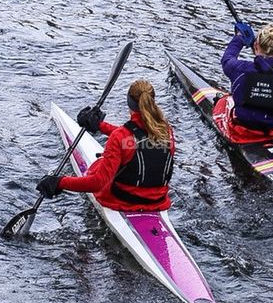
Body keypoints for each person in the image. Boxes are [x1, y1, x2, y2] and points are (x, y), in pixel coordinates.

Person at [36, 80, 175, 212]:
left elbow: (98, 183)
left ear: (129, 103)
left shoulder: (120, 137)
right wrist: (99, 126)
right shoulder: (167, 131)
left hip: (122, 201)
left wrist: (60, 182)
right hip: (158, 201)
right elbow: (137, 140)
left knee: (98, 167)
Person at [217, 21, 273, 142]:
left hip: (244, 131)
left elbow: (227, 59)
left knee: (223, 102)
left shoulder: (239, 69)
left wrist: (239, 38)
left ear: (255, 45)